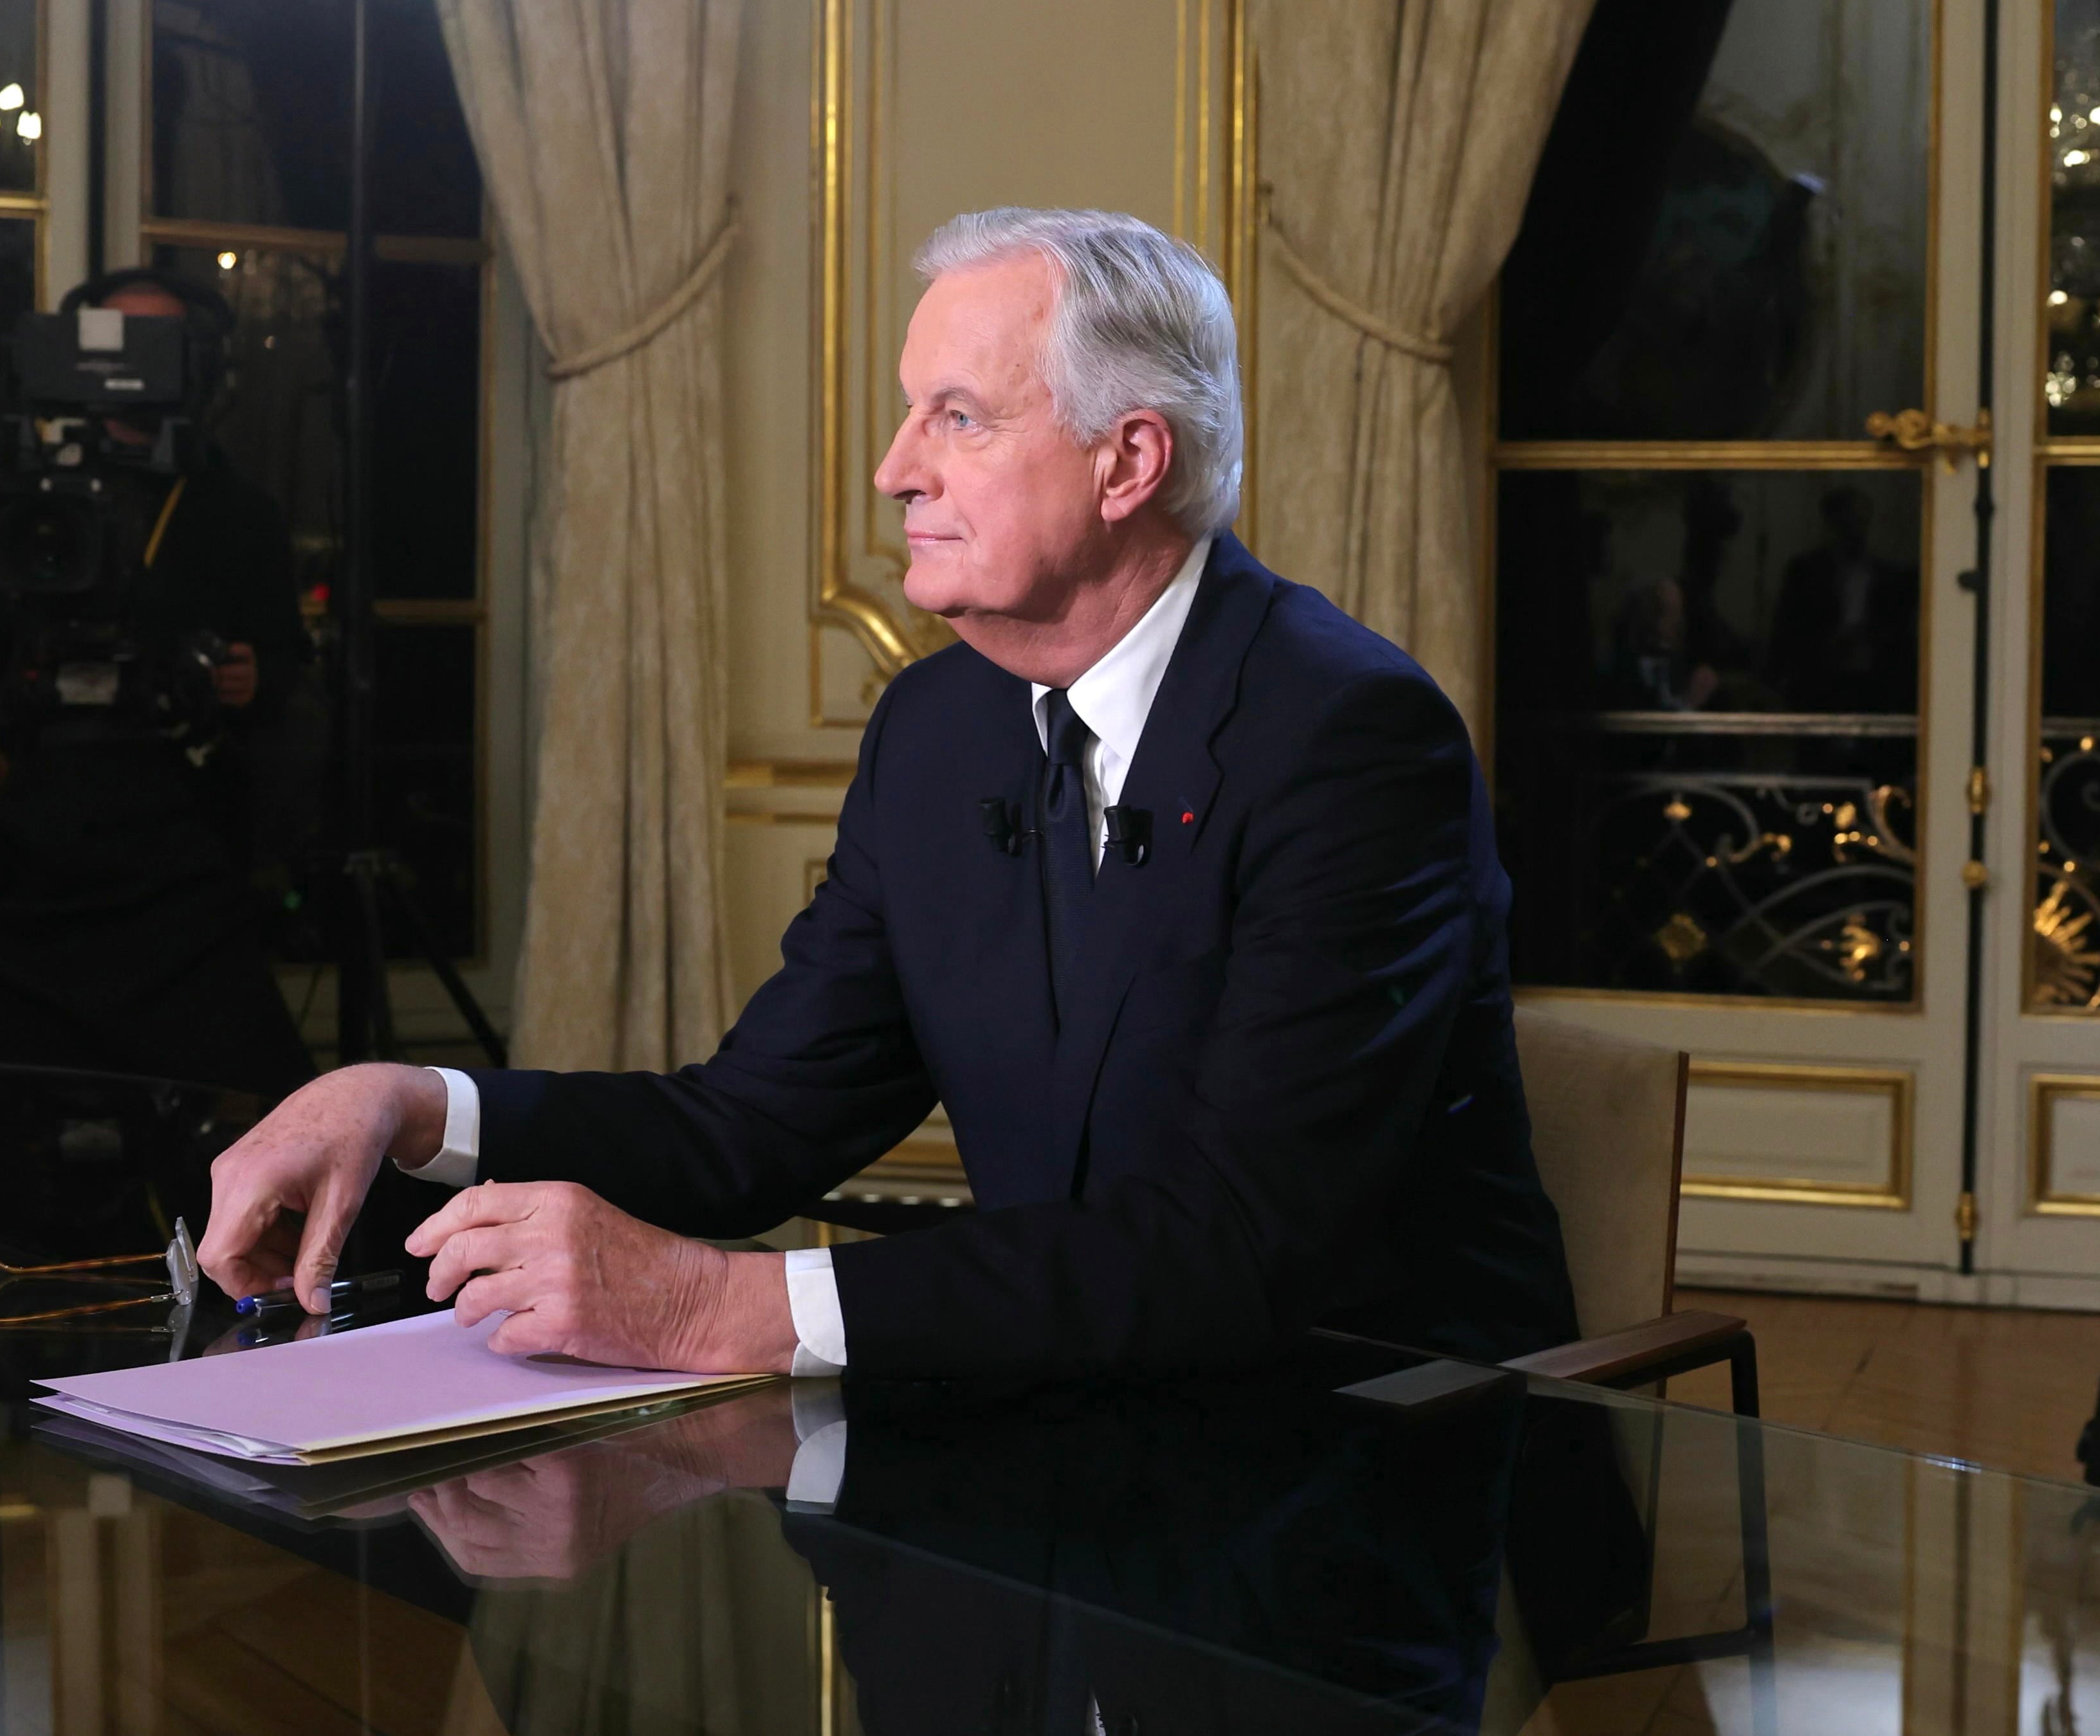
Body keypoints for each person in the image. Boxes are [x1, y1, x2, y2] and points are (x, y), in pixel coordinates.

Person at [197, 208, 1576, 1375]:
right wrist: (412, 1103)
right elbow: (752, 1124)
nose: (892, 469)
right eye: (912, 412)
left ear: (1129, 461)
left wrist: (711, 1305)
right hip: (1071, 1426)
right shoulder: (936, 726)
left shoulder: (1348, 737)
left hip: (1355, 1474)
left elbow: (1235, 1244)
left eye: (957, 418)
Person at [0, 269, 317, 1102]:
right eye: (116, 343)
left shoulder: (234, 510)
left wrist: (252, 677)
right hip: (17, 838)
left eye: (161, 345)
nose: (137, 368)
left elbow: (284, 657)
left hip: (172, 847)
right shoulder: (10, 501)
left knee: (245, 1099)